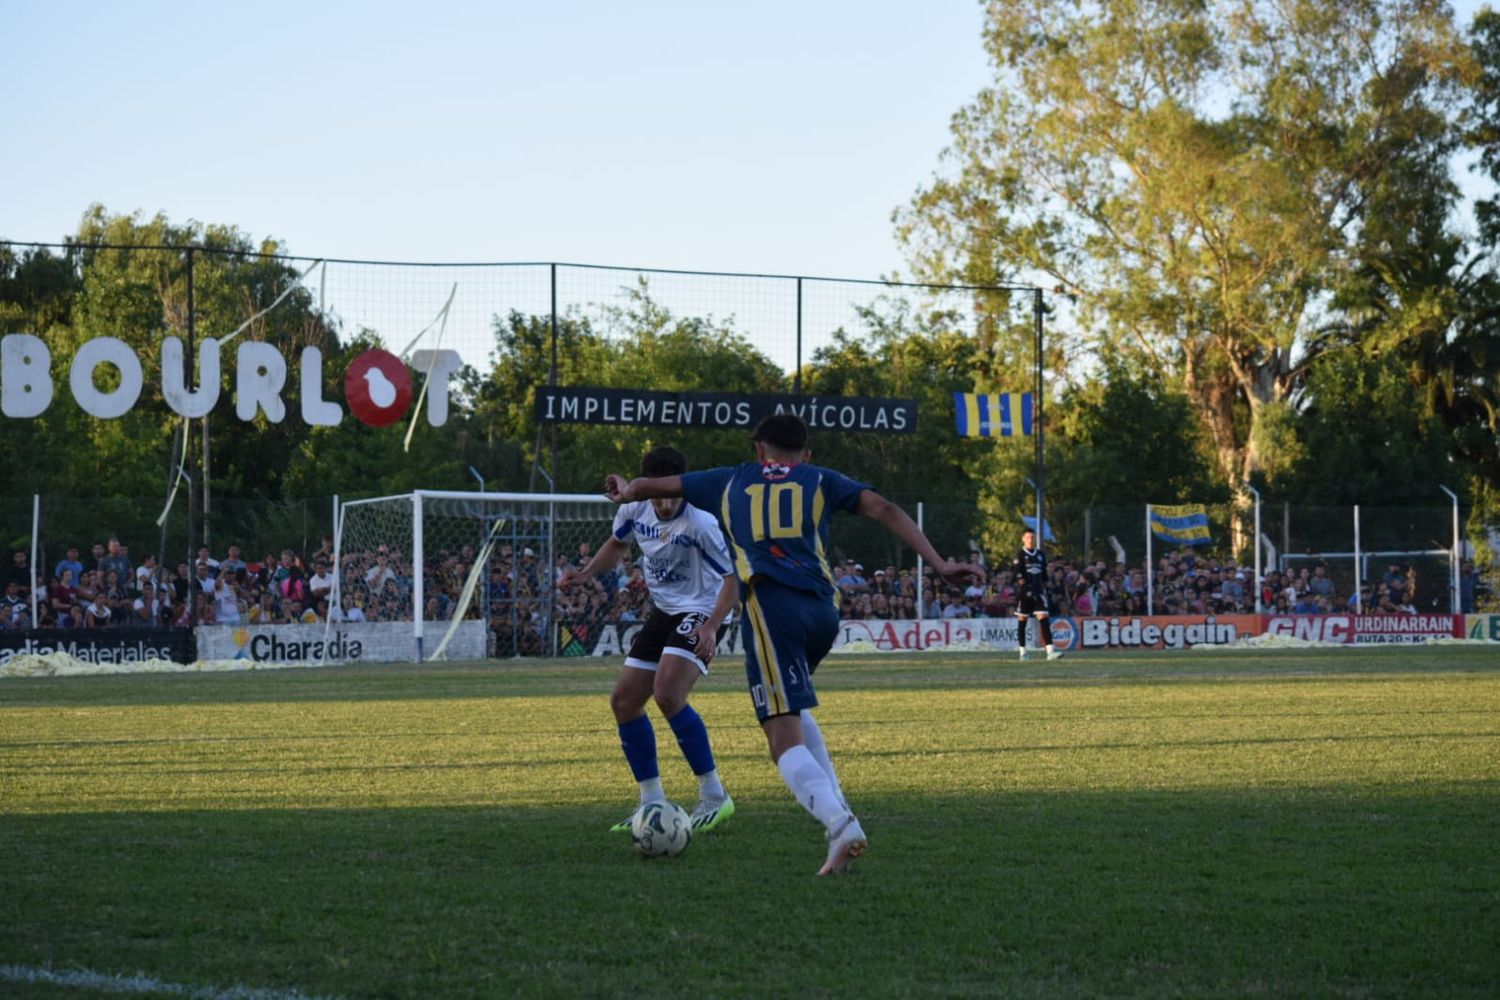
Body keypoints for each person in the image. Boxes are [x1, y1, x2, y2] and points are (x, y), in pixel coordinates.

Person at [603, 413, 984, 876]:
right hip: (824, 611)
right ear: (806, 454)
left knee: (781, 736)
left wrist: (627, 488)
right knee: (795, 706)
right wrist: (940, 565)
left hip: (773, 608)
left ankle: (839, 824)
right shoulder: (820, 478)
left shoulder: (731, 479)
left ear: (758, 449)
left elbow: (651, 487)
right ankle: (840, 808)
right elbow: (886, 509)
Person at [563, 445, 740, 836]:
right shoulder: (634, 508)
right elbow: (618, 544)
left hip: (705, 608)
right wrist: (586, 573)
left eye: (669, 494)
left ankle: (714, 795)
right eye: (654, 494)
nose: (661, 503)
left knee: (667, 694)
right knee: (624, 702)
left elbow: (732, 582)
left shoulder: (702, 523)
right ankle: (651, 802)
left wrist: (711, 627)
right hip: (665, 610)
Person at [1013, 528, 1062, 660]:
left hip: (1039, 591)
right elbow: (1018, 574)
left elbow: (1044, 574)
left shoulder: (1040, 554)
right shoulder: (1020, 555)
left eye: (1033, 537)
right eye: (1028, 537)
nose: (1031, 539)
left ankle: (1050, 651)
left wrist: (1047, 587)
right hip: (1025, 593)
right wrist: (1025, 588)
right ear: (1023, 539)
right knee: (1022, 620)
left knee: (1044, 618)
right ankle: (1022, 652)